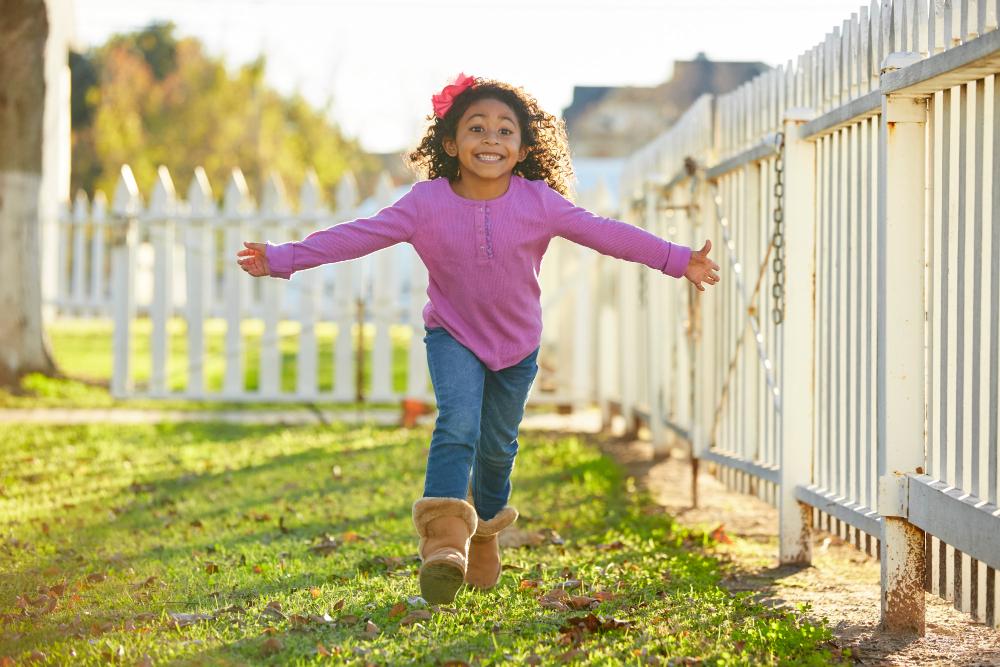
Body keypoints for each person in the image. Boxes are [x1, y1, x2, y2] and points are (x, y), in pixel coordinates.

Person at [236, 74, 720, 604]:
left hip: (517, 345)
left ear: (523, 147)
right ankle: (445, 541)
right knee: (458, 423)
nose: (491, 138)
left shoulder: (540, 202)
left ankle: (484, 531)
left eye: (505, 130)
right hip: (453, 334)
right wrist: (283, 257)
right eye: (477, 128)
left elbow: (607, 233)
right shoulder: (424, 204)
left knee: (497, 449)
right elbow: (357, 235)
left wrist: (678, 259)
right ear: (450, 143)